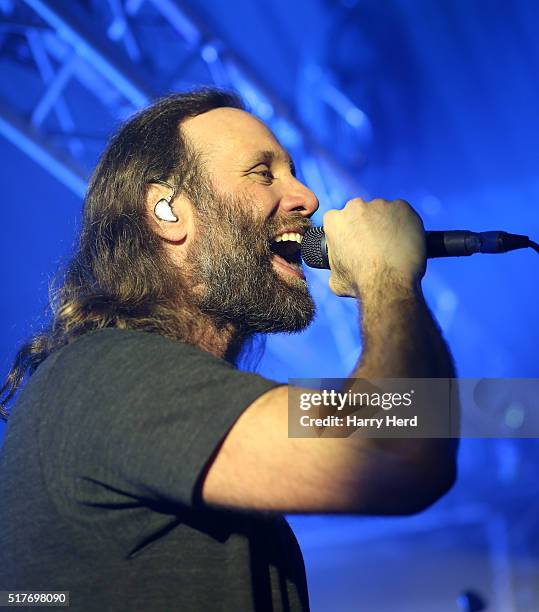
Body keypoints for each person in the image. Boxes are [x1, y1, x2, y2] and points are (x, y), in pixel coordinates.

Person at [0, 88, 457, 611]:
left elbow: (436, 422)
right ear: (168, 212)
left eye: (293, 171)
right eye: (263, 174)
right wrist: (385, 272)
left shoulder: (159, 399)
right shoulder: (102, 376)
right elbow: (395, 448)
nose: (307, 197)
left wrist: (516, 409)